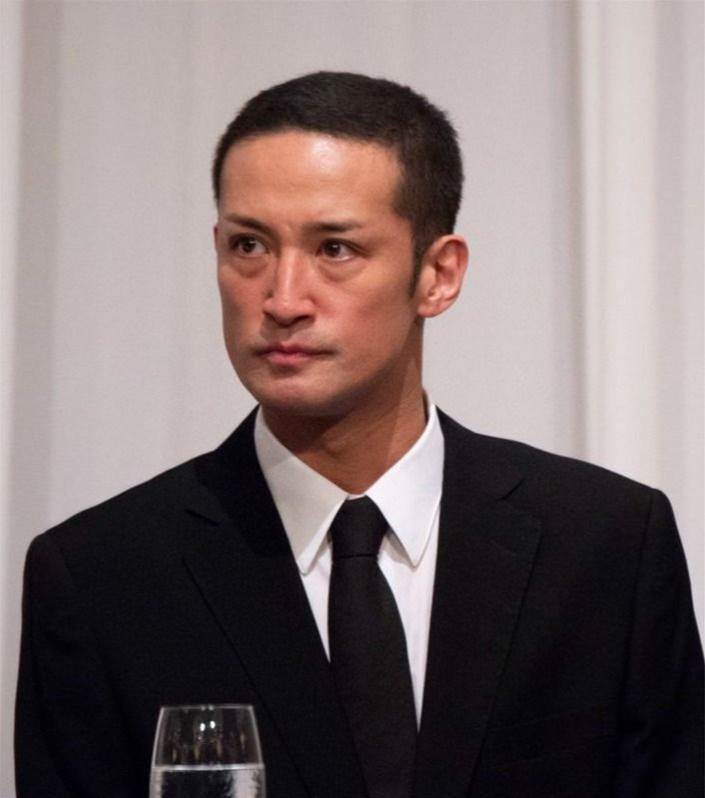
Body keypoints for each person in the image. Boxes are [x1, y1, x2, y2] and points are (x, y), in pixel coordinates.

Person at [15, 71, 703, 798]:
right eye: (249, 245)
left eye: (335, 249)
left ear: (438, 275)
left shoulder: (606, 547)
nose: (282, 299)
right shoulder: (103, 578)